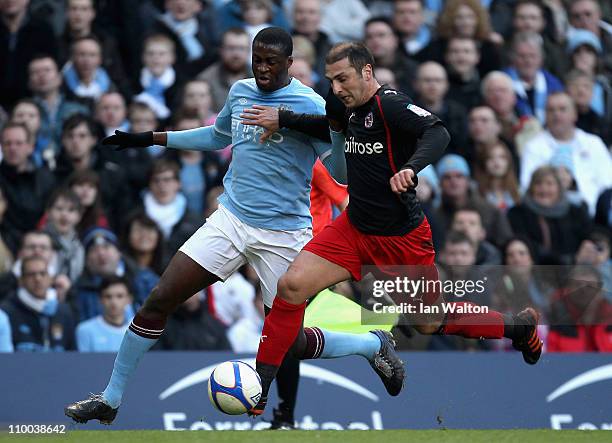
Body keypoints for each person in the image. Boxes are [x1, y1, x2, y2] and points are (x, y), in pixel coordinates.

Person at [64, 27, 384, 429]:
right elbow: (217, 137)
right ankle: (109, 400)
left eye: (271, 62)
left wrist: (330, 130)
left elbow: (338, 172)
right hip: (231, 220)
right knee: (159, 298)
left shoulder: (309, 103)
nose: (262, 68)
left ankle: (371, 344)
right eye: (257, 59)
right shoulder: (240, 91)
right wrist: (151, 138)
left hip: (284, 235)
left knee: (289, 344)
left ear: (289, 65)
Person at [243, 42, 543, 417]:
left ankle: (519, 327)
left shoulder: (390, 104)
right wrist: (284, 119)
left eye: (342, 79)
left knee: (428, 323)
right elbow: (330, 127)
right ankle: (259, 390)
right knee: (290, 287)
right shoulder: (345, 105)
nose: (335, 88)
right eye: (331, 79)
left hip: (401, 240)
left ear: (367, 72)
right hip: (352, 230)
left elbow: (437, 132)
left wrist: (412, 168)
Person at [519, 93, 612, 215]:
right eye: (551, 110)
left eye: (562, 109)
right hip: (550, 215)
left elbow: (608, 182)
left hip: (596, 216)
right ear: (545, 115)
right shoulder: (533, 147)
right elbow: (527, 185)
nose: (556, 114)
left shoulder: (593, 143)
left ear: (575, 114)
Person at [1, 256, 76, 352]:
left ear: (51, 278)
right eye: (31, 274)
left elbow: (73, 354)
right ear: (21, 280)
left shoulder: (63, 311)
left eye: (43, 273)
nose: (38, 279)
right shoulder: (7, 311)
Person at [76, 276, 133, 352]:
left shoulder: (140, 330)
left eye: (119, 296)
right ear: (100, 300)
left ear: (129, 299)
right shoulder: (85, 330)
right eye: (108, 297)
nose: (114, 302)